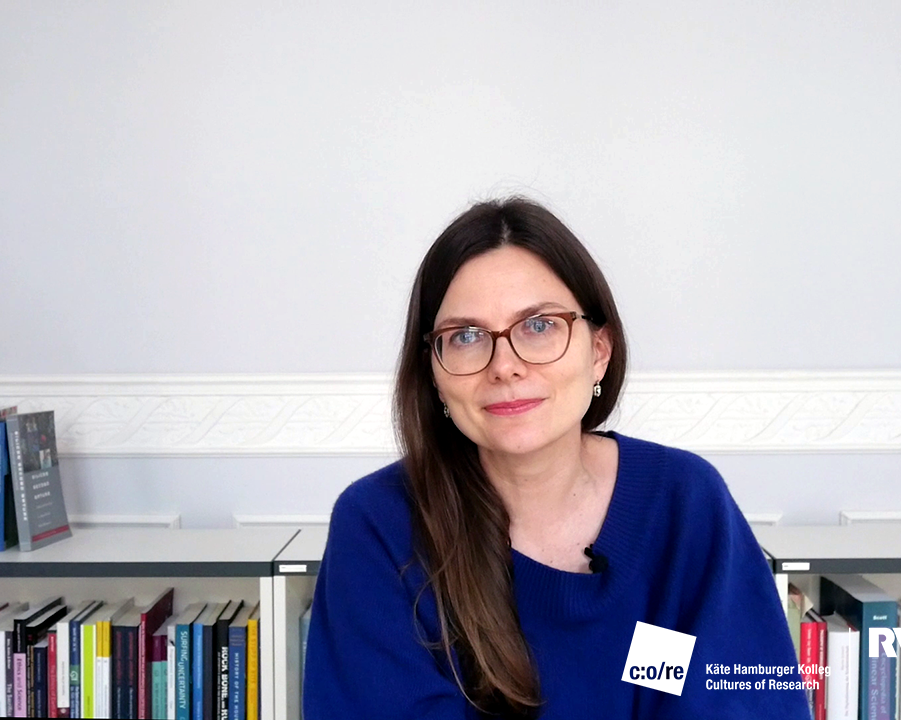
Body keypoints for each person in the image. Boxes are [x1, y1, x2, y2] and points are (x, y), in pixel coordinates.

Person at [303, 197, 809, 719]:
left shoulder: (686, 502)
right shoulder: (378, 524)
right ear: (433, 373)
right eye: (466, 337)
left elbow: (750, 701)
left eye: (539, 326)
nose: (504, 366)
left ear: (599, 351)